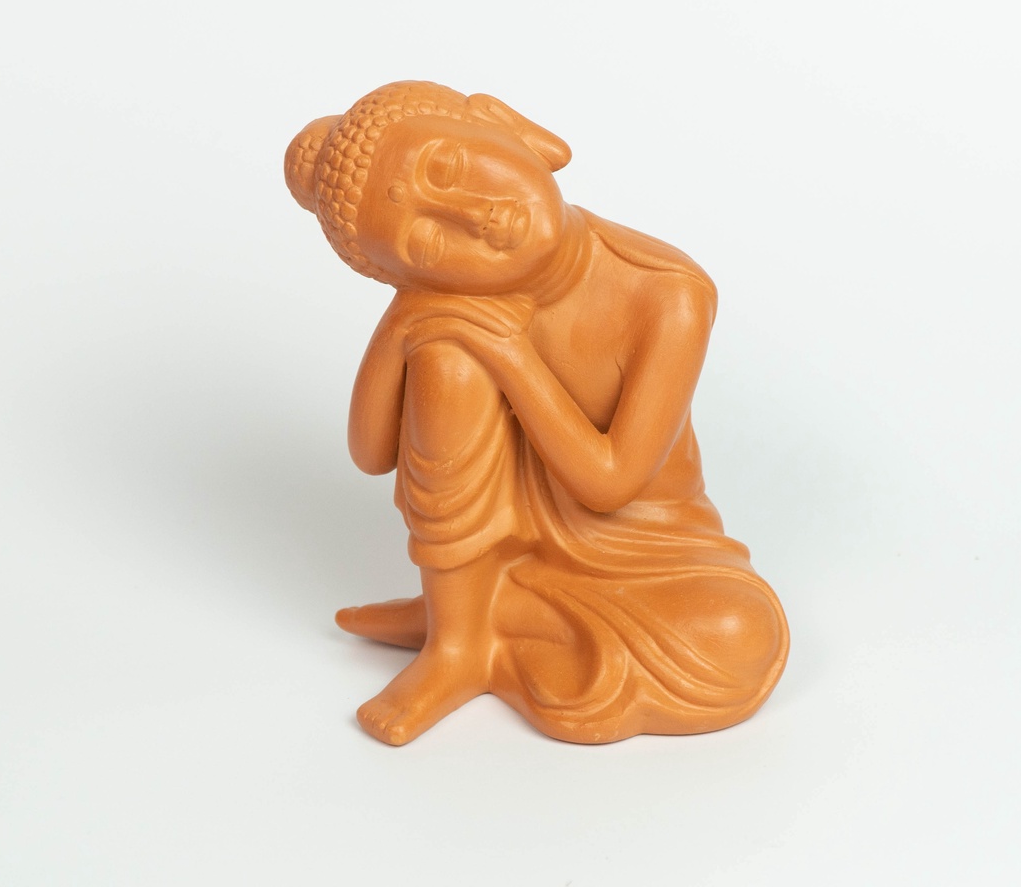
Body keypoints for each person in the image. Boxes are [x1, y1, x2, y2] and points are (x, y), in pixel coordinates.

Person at [284, 81, 789, 745]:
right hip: (517, 539)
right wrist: (411, 312)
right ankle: (459, 640)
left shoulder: (669, 294)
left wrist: (510, 354)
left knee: (740, 633)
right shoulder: (458, 304)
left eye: (446, 167)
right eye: (426, 246)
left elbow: (610, 482)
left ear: (505, 124)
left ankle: (484, 615)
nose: (472, 217)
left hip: (647, 549)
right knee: (447, 361)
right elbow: (369, 452)